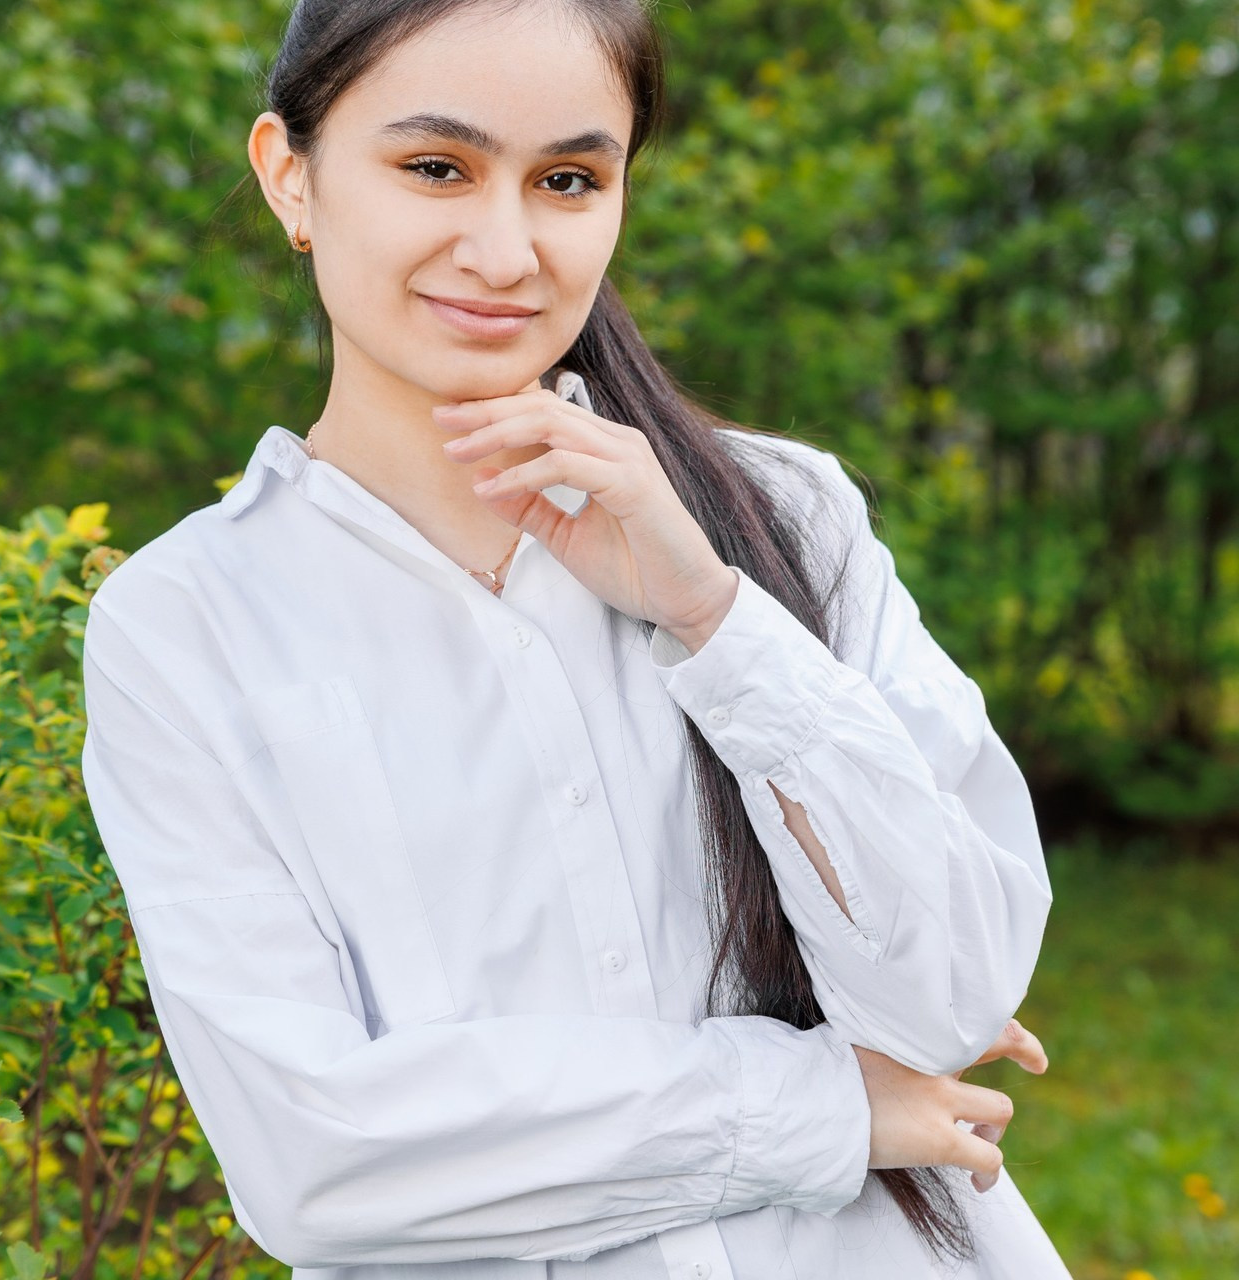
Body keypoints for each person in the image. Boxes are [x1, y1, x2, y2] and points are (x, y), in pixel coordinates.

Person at [79, 1, 1073, 1276]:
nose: (503, 250)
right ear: (291, 176)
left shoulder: (781, 517)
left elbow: (950, 986)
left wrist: (712, 618)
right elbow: (314, 1154)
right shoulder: (188, 626)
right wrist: (820, 1107)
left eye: (566, 178)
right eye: (434, 166)